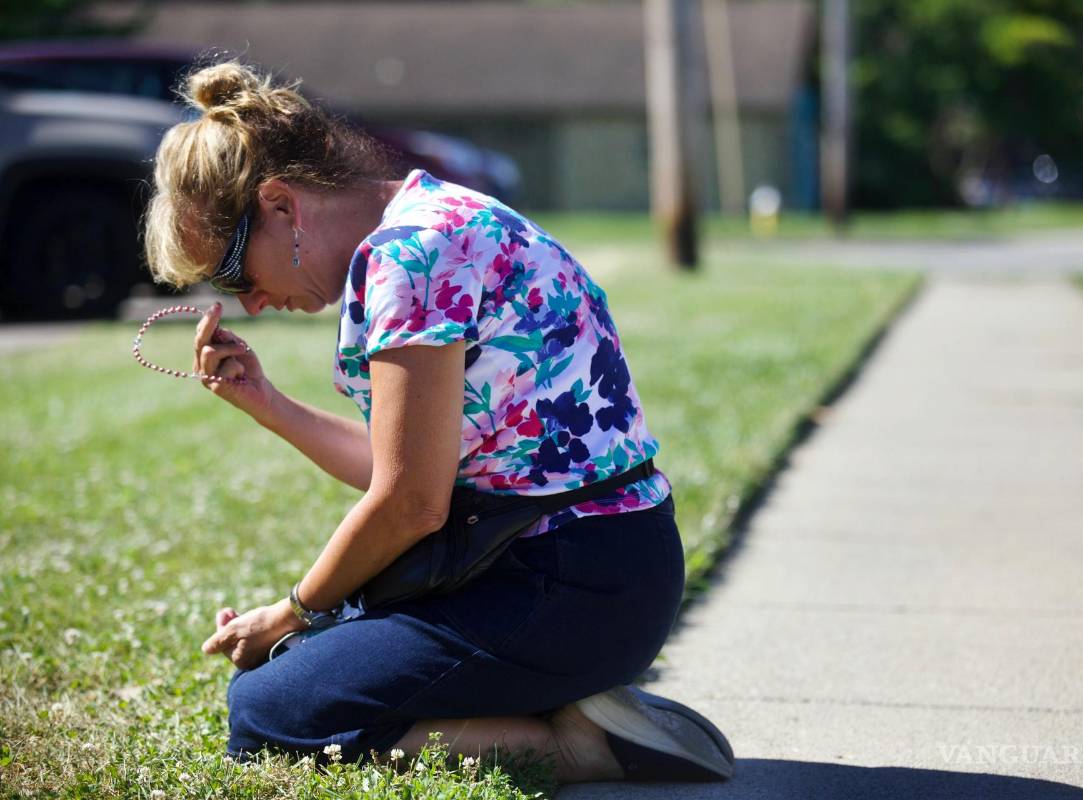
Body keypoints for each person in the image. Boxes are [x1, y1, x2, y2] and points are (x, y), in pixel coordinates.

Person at [141, 60, 734, 785]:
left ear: (281, 206)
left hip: (569, 582)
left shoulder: (409, 259)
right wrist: (267, 402)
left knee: (271, 714)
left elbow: (412, 504)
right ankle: (566, 701)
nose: (251, 304)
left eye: (236, 274)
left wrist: (291, 612)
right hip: (595, 568)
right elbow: (412, 468)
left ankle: (579, 746)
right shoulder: (432, 218)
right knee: (294, 677)